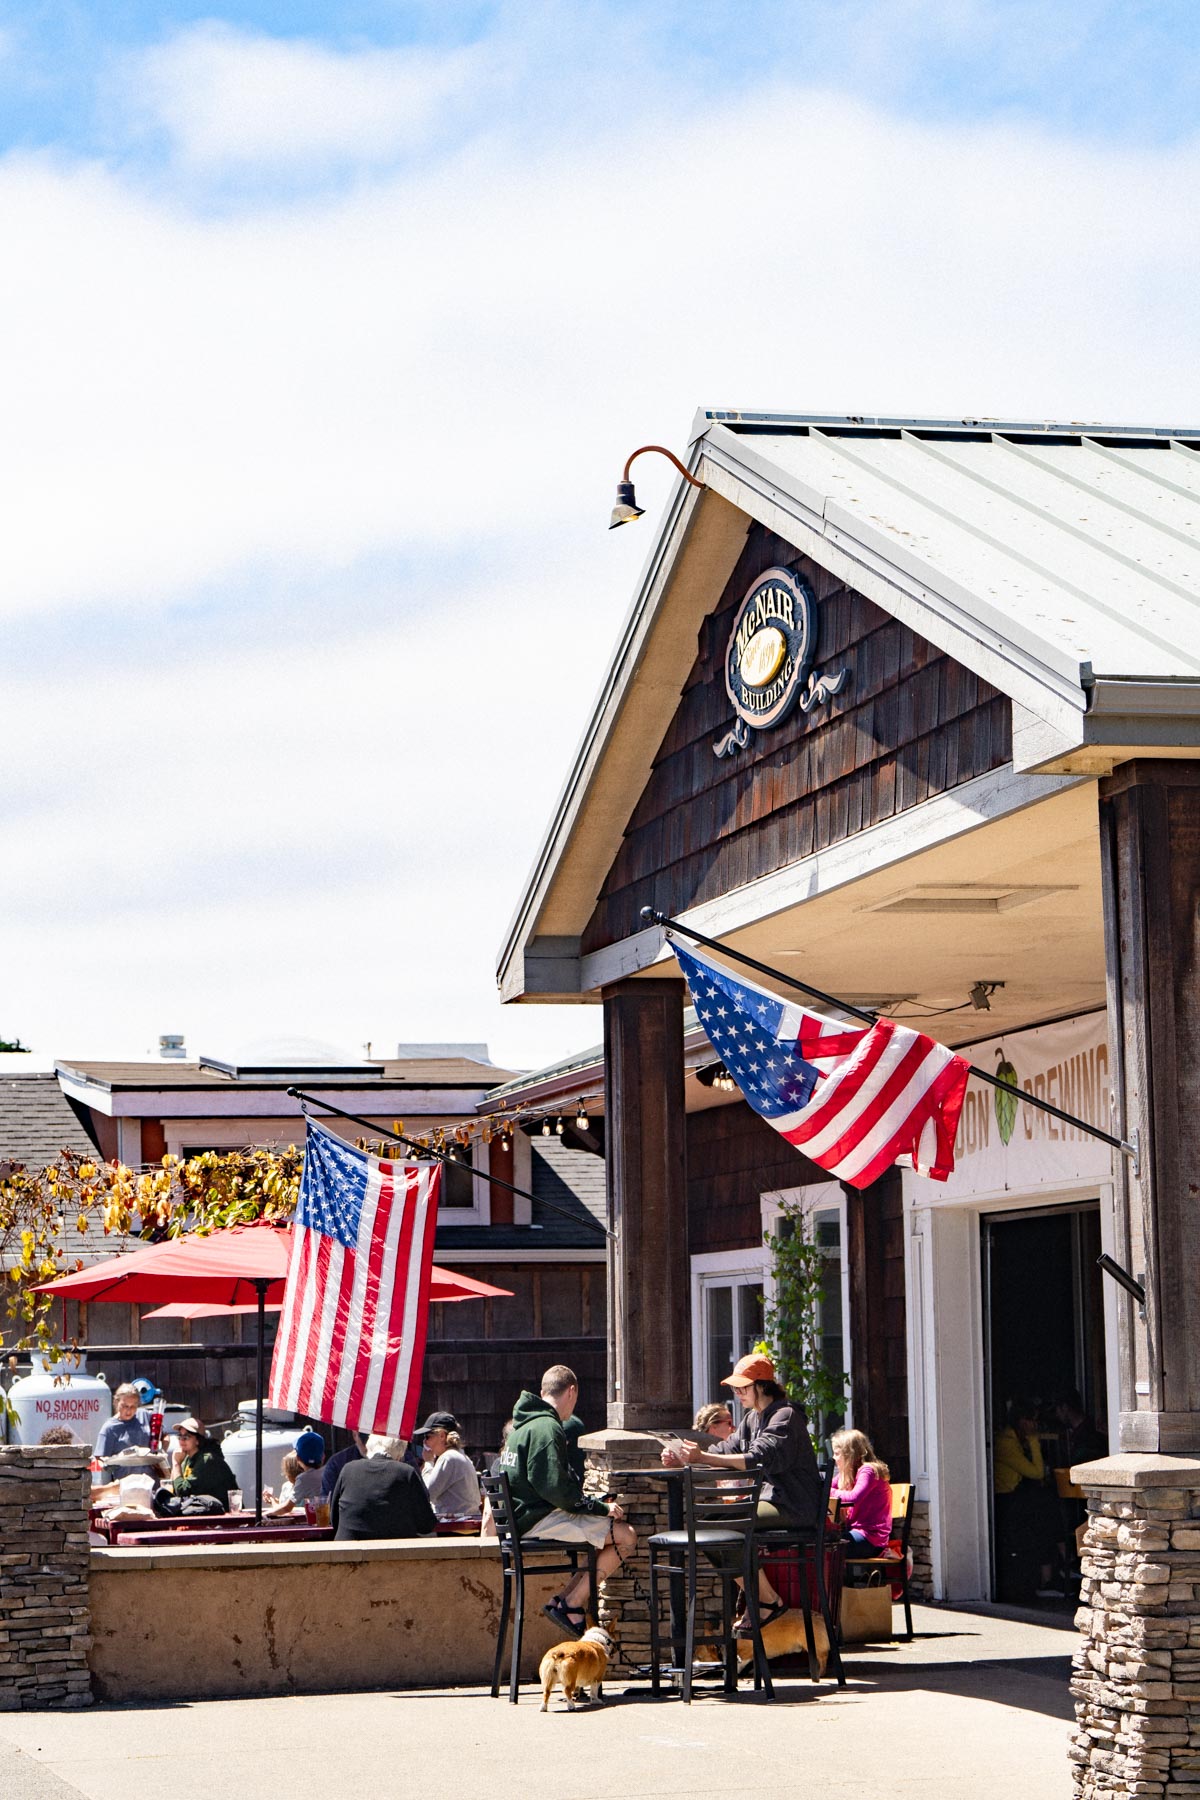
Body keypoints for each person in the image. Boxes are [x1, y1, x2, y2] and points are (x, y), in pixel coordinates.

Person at [663, 1352, 822, 1632]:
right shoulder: (752, 1419)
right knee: (704, 1525)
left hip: (794, 1506)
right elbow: (725, 1450)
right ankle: (765, 1599)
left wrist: (702, 1458)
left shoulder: (786, 1416)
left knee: (718, 1523)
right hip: (770, 1502)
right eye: (735, 1387)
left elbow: (757, 1458)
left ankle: (765, 1601)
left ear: (761, 1385)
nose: (736, 1392)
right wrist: (684, 1457)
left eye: (742, 1387)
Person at [501, 1363, 635, 1640]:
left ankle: (563, 1602)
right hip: (538, 1520)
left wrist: (589, 1505)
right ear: (572, 1391)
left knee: (603, 1539)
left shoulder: (521, 1428)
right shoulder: (548, 1427)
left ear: (543, 1391)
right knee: (626, 1536)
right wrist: (600, 1507)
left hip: (522, 1520)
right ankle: (571, 1604)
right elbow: (556, 1489)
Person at [993, 1398, 1063, 1600]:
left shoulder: (1015, 1440)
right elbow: (1036, 1472)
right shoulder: (1006, 1443)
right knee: (1044, 1511)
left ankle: (1056, 1565)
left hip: (1017, 1497)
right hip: (1006, 1500)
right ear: (1022, 1421)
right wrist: (1034, 1441)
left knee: (1046, 1506)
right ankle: (1053, 1570)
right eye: (1032, 1420)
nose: (1035, 1425)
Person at [330, 1434, 437, 1540]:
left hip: (348, 1551)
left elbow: (334, 1519)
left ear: (370, 1446)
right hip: (394, 1552)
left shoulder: (348, 1469)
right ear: (400, 1453)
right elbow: (426, 1524)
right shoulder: (406, 1473)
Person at [830, 1428, 893, 1559]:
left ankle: (833, 1580)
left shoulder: (868, 1470)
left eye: (837, 1453)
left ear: (850, 1454)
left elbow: (854, 1497)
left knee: (825, 1546)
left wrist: (825, 1491)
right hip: (858, 1534)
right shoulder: (849, 1473)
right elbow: (828, 1486)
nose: (833, 1458)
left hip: (871, 1539)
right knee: (824, 1541)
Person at [413, 1411, 481, 1520]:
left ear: (441, 1436)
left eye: (427, 1436)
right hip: (464, 1521)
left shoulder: (448, 1458)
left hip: (456, 1526)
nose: (424, 1442)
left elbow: (427, 1494)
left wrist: (428, 1463)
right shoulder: (459, 1455)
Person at [169, 1417, 237, 1508]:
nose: (181, 1440)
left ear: (198, 1440)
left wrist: (176, 1463)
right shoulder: (186, 1458)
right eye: (180, 1436)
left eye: (186, 1437)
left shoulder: (207, 1460)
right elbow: (174, 1489)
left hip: (225, 1516)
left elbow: (183, 1492)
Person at [94, 1384, 152, 1462]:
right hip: (123, 1473)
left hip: (148, 1473)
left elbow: (164, 1437)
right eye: (125, 1406)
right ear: (116, 1402)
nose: (129, 1410)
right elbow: (99, 1460)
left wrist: (160, 1452)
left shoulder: (144, 1416)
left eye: (133, 1406)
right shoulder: (110, 1428)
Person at [320, 1429, 368, 1500]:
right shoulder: (337, 1463)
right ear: (355, 1434)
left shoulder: (337, 1463)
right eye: (365, 1440)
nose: (368, 1446)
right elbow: (328, 1501)